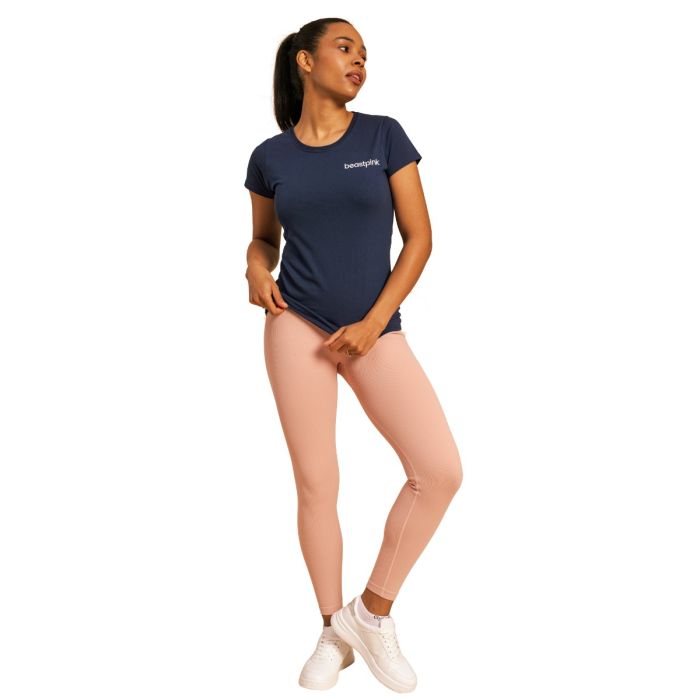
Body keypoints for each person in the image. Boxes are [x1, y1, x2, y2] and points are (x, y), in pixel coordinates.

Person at [244, 18, 463, 693]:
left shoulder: (383, 136)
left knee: (439, 471)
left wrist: (372, 324)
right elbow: (264, 238)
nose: (359, 60)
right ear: (304, 62)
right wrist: (254, 266)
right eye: (345, 48)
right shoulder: (270, 157)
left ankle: (368, 614)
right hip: (295, 324)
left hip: (374, 329)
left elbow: (420, 238)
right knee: (317, 483)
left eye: (365, 53)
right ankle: (329, 634)